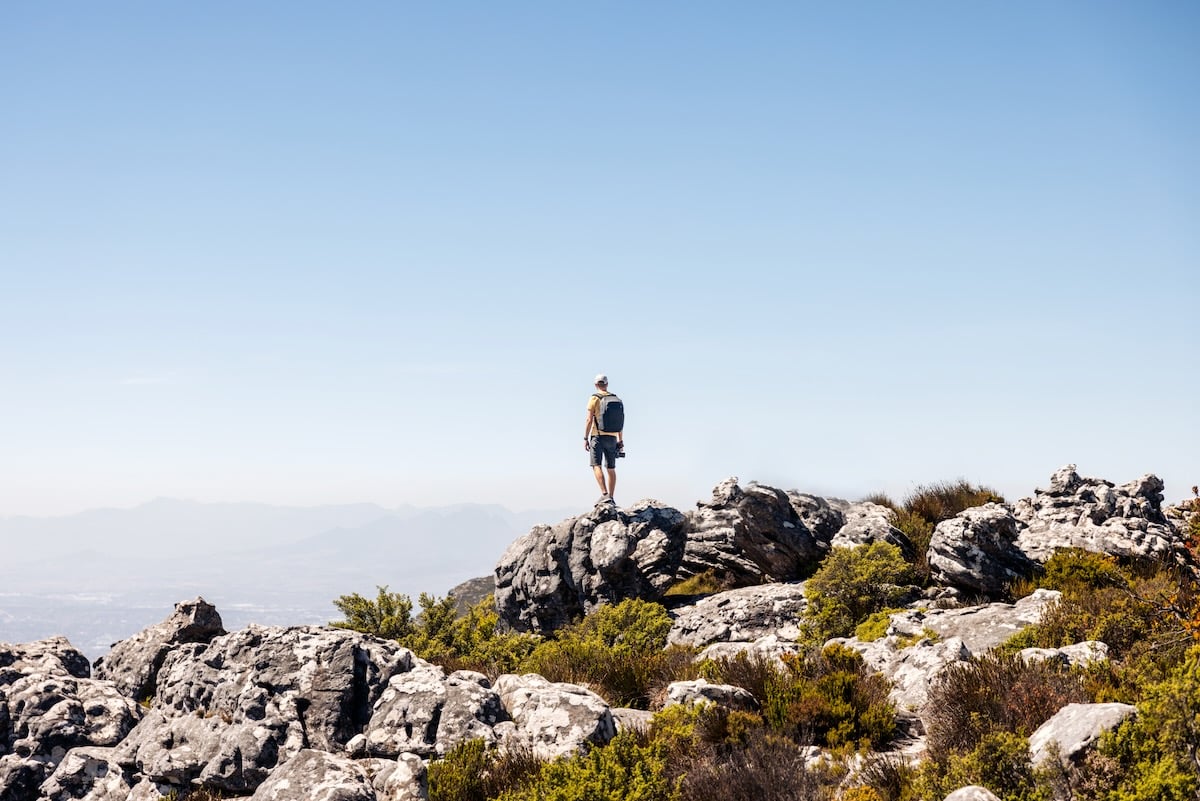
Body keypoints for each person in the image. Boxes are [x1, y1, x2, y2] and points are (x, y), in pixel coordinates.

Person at [584, 374, 623, 504]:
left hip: (598, 436)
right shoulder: (616, 399)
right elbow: (620, 422)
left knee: (596, 465)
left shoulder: (594, 398)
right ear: (606, 384)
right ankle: (611, 497)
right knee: (611, 468)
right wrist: (620, 440)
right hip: (612, 437)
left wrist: (585, 438)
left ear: (596, 385)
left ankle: (605, 494)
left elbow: (589, 419)